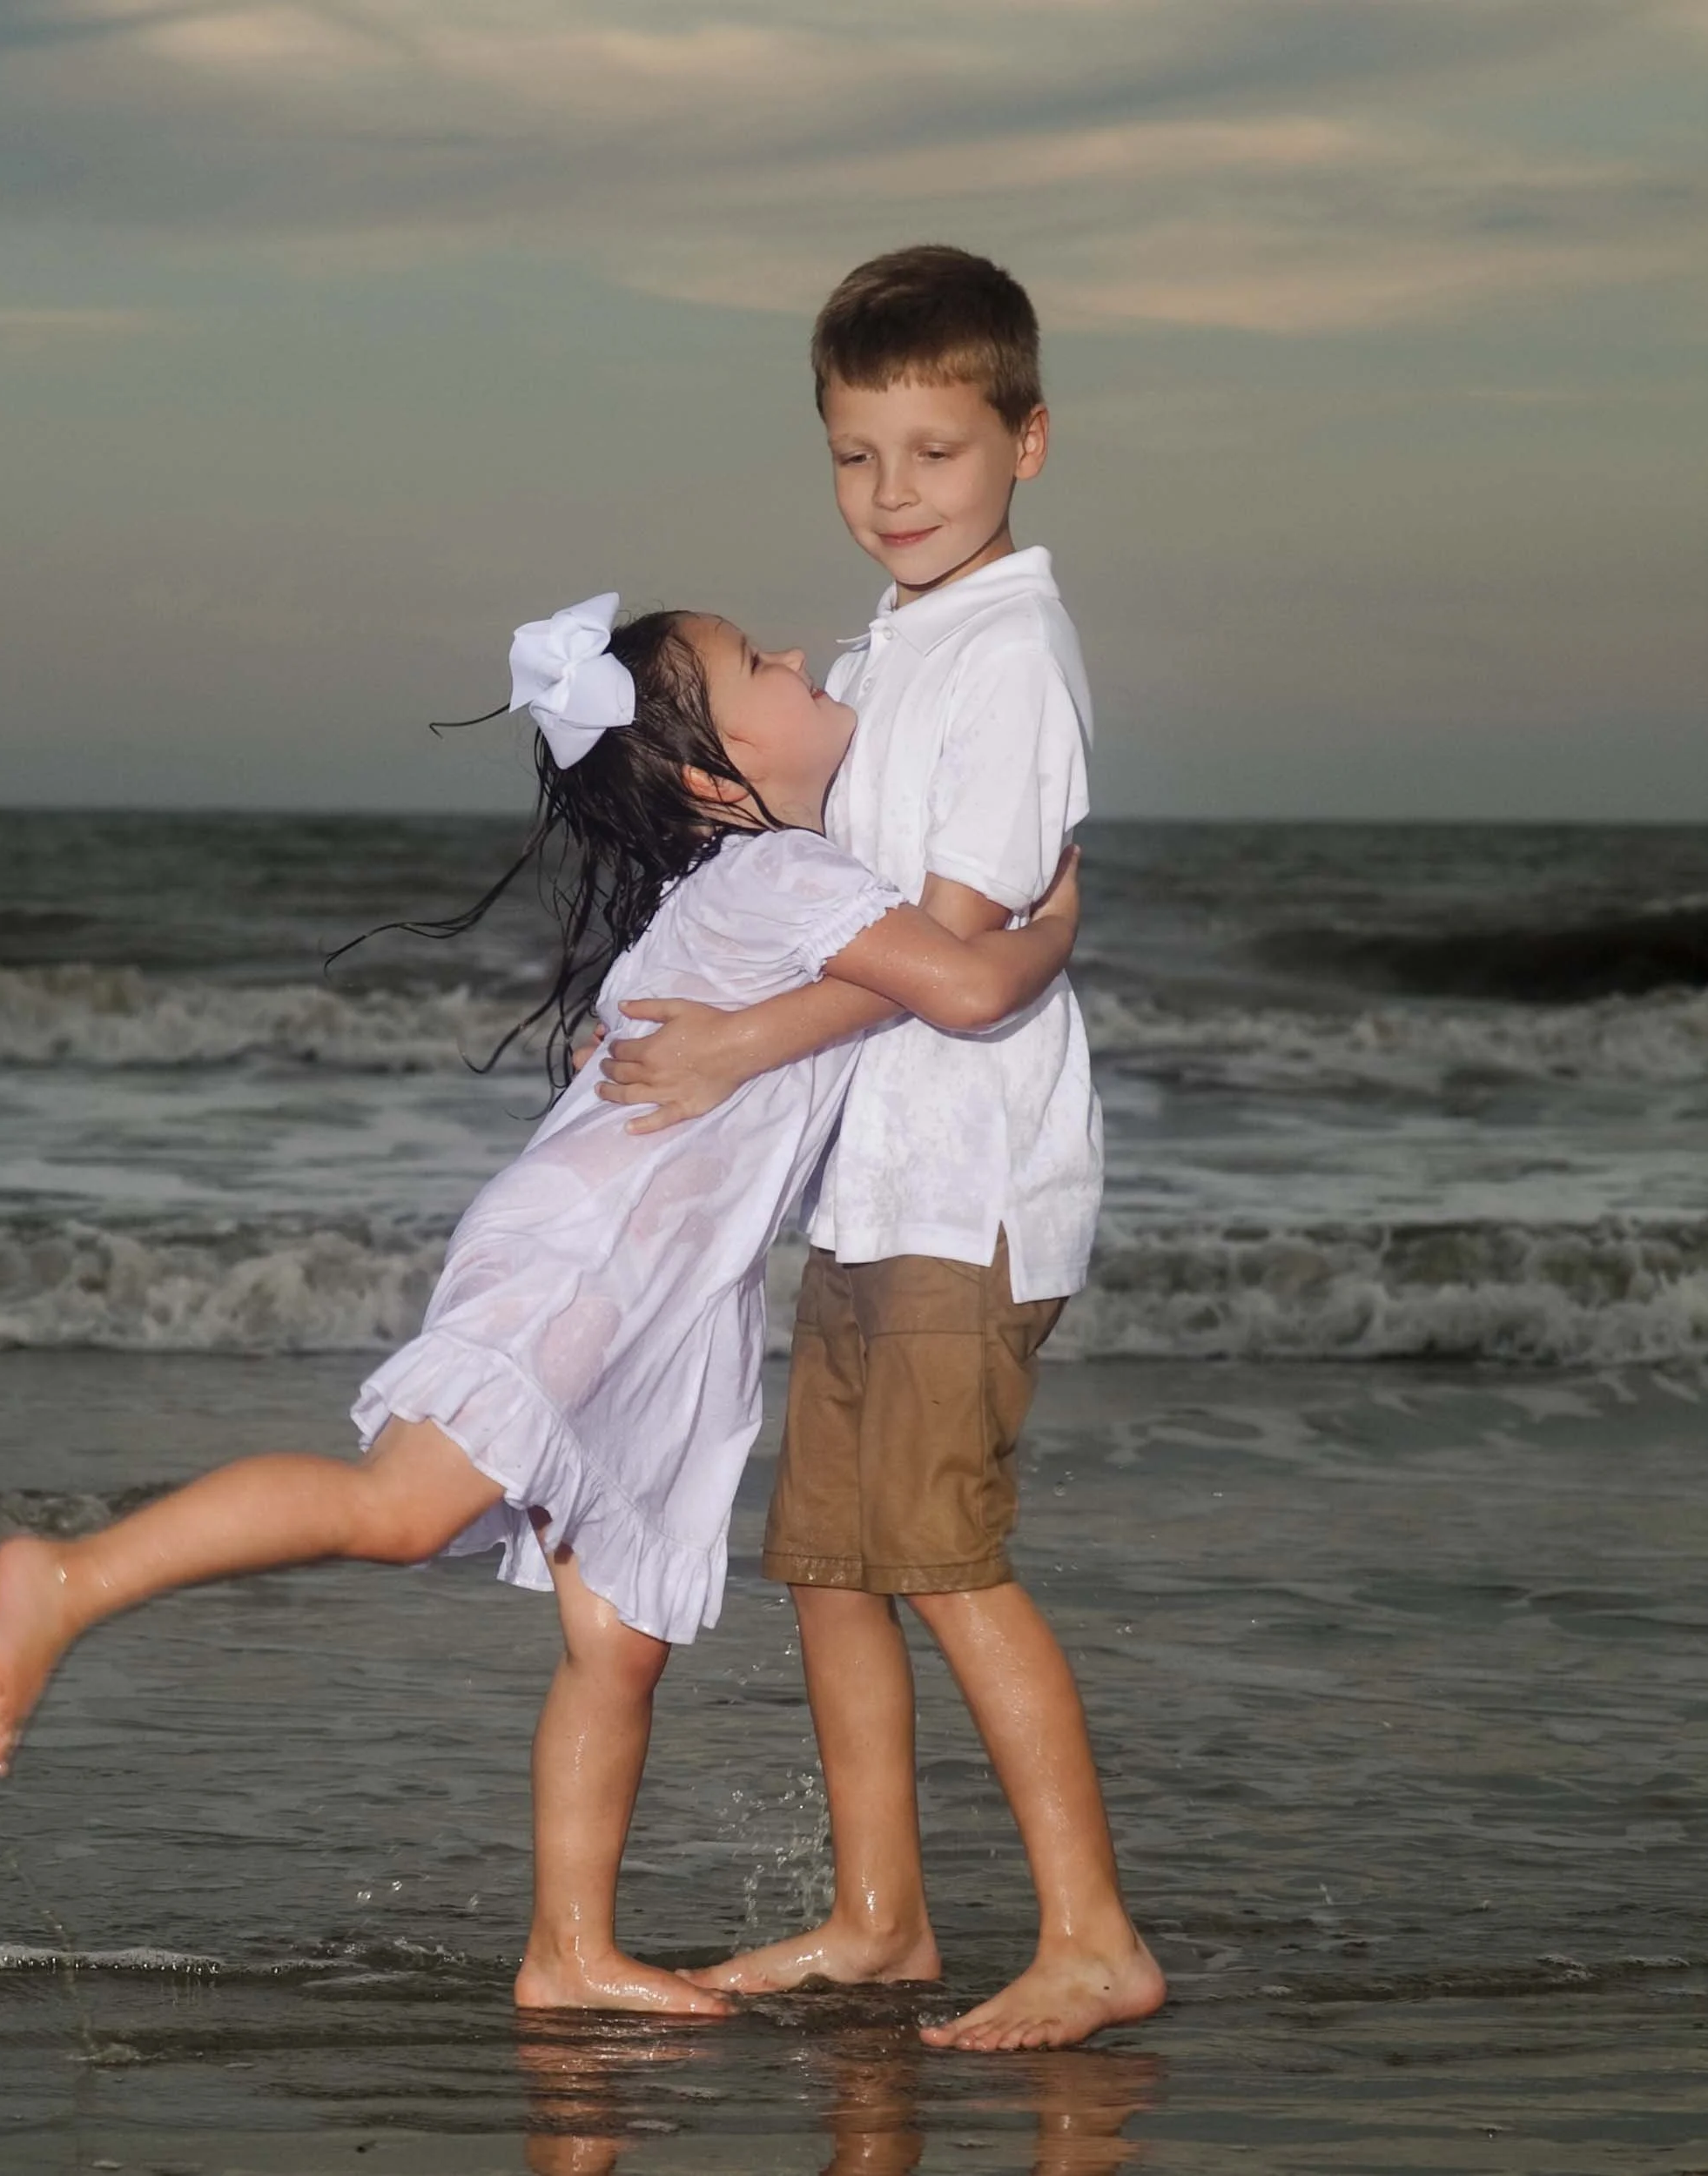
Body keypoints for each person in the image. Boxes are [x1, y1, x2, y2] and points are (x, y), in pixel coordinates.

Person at [0, 590, 1083, 2018]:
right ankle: (69, 1579)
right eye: (761, 665)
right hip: (593, 1265)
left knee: (616, 1647)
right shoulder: (788, 883)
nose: (801, 659)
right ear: (705, 771)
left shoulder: (742, 888)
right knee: (400, 1507)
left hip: (663, 1295)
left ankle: (569, 1950)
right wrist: (1055, 921)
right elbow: (970, 989)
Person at [595, 247, 1166, 2051]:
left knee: (938, 1550)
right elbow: (795, 865)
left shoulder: (1004, 658)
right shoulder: (886, 649)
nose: (892, 492)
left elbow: (952, 961)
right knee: (830, 1560)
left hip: (967, 1183)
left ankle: (1089, 1933)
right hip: (866, 1184)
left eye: (933, 449)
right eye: (856, 455)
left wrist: (739, 1045)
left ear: (1027, 442)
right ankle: (879, 1913)